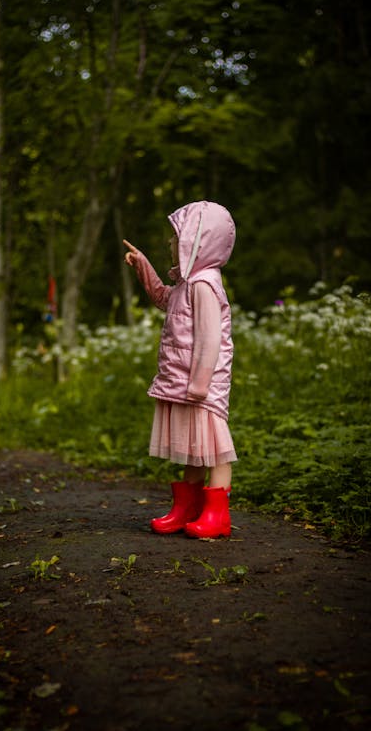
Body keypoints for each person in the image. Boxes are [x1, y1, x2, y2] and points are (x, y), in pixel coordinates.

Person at [123, 200, 237, 538]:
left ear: (197, 240)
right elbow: (162, 297)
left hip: (201, 386)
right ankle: (188, 508)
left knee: (215, 450)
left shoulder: (204, 285)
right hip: (186, 382)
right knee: (194, 448)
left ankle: (218, 515)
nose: (170, 244)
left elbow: (209, 340)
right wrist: (143, 265)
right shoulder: (188, 283)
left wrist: (200, 386)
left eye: (176, 238)